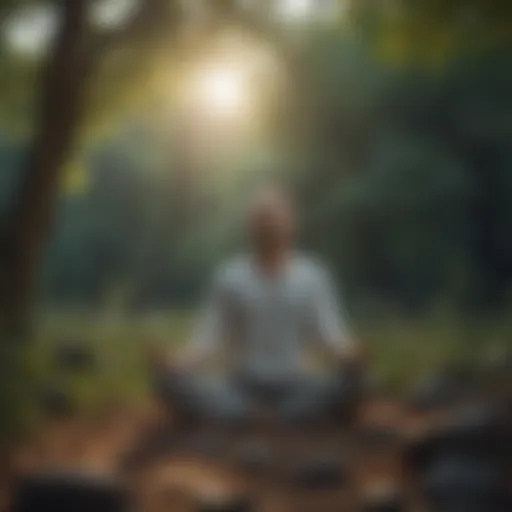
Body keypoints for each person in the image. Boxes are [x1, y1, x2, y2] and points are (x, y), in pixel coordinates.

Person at [152, 185, 364, 427]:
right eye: (262, 220)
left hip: (298, 383)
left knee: (354, 382)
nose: (269, 226)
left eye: (276, 219)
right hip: (242, 386)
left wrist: (350, 355)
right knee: (171, 384)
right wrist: (179, 362)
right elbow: (210, 338)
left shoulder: (313, 275)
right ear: (250, 227)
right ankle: (260, 415)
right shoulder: (230, 276)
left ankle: (269, 416)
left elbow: (329, 334)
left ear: (291, 224)